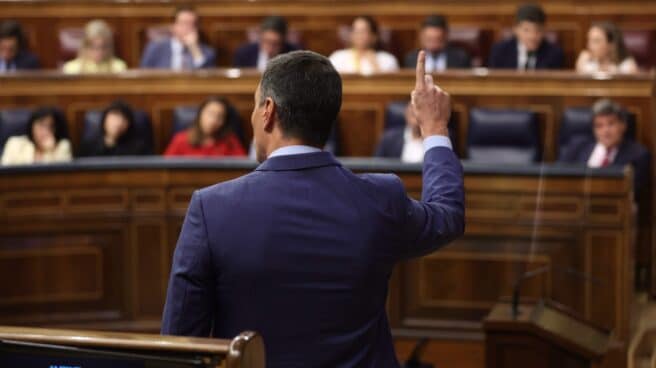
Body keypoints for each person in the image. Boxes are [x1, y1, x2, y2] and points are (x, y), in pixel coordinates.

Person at [161, 50, 464, 367]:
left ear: (268, 111)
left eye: (254, 105)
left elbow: (179, 347)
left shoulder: (211, 209)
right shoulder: (381, 198)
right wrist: (435, 128)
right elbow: (447, 215)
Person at [559, 99, 649, 198]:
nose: (605, 131)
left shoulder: (638, 155)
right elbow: (559, 177)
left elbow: (631, 192)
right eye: (599, 126)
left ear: (623, 125)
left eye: (611, 124)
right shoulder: (576, 146)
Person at [488, 4, 564, 70]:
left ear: (544, 30)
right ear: (515, 29)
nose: (532, 36)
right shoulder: (499, 51)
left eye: (538, 30)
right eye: (526, 30)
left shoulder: (554, 54)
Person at [164, 97, 246, 157]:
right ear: (200, 114)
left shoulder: (230, 141)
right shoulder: (180, 140)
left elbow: (241, 169)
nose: (213, 120)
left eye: (219, 117)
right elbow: (166, 170)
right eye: (210, 114)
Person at [140, 5, 216, 70]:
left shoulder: (207, 53)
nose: (188, 28)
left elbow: (208, 80)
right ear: (174, 25)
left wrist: (194, 49)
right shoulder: (156, 48)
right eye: (184, 23)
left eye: (193, 24)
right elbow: (143, 75)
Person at [329, 16, 399, 75]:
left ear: (374, 36)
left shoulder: (388, 59)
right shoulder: (337, 57)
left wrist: (375, 65)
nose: (359, 36)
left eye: (363, 31)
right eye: (356, 31)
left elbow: (391, 85)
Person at [1, 107, 71, 165]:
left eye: (51, 126)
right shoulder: (15, 143)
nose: (45, 131)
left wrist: (49, 152)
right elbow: (4, 174)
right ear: (32, 125)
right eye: (41, 125)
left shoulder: (62, 147)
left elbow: (59, 176)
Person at [79, 101, 151, 156]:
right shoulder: (89, 145)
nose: (118, 123)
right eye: (114, 118)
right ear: (104, 120)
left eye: (123, 119)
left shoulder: (139, 148)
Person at [404, 15, 471, 71]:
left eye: (438, 40)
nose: (433, 45)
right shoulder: (411, 58)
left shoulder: (460, 58)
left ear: (446, 36)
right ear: (421, 36)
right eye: (429, 40)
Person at [233, 16, 300, 71]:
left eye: (275, 43)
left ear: (283, 41)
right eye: (266, 41)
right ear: (260, 37)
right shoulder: (243, 53)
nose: (270, 48)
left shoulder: (294, 56)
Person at [63, 20, 127, 74]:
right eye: (93, 47)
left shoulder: (119, 68)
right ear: (85, 46)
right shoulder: (71, 69)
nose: (99, 52)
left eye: (103, 47)